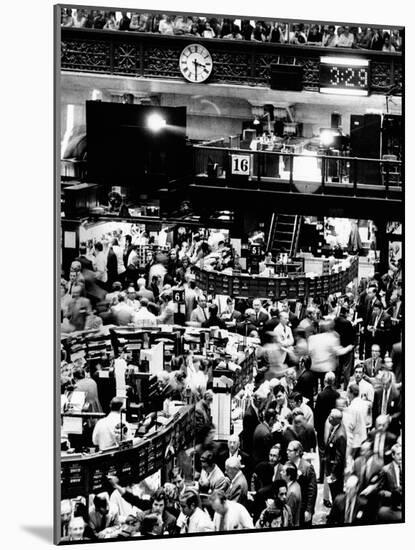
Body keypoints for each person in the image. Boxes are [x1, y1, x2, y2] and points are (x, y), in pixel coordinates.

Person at [286, 440, 317, 525]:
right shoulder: (287, 464)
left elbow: (312, 491)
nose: (287, 452)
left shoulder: (307, 467)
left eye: (290, 450)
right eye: (287, 450)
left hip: (303, 507)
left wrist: (309, 510)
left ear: (297, 452)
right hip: (291, 505)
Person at [324, 409, 347, 502]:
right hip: (330, 466)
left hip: (336, 472)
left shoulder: (340, 435)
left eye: (331, 417)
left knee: (336, 495)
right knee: (334, 494)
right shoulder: (333, 427)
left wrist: (333, 473)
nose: (329, 418)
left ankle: (337, 515)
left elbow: (339, 457)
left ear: (337, 420)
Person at [281, 462, 302, 527]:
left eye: (283, 472)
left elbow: (288, 515)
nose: (281, 473)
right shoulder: (296, 484)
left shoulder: (292, 493)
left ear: (289, 476)